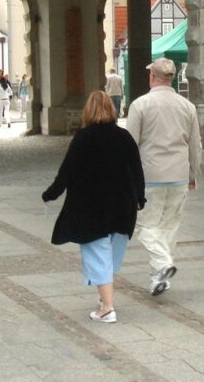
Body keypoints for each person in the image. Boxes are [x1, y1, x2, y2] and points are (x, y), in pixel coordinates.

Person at [42, 91, 145, 323]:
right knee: (110, 257)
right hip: (122, 207)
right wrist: (140, 197)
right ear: (112, 109)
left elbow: (66, 173)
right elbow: (137, 170)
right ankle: (103, 298)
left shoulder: (83, 138)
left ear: (87, 111)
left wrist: (50, 194)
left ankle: (107, 309)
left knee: (98, 256)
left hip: (91, 209)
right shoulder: (124, 136)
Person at [126, 58, 202, 296]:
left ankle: (162, 265)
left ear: (152, 77)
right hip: (178, 174)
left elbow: (130, 145)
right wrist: (193, 173)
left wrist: (128, 177)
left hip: (150, 174)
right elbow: (195, 145)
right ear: (171, 78)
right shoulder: (187, 106)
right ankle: (159, 277)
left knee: (146, 226)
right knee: (169, 227)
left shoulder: (140, 105)